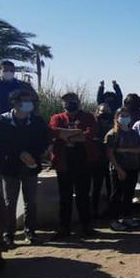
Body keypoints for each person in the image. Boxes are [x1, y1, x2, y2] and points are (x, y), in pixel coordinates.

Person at [0, 89, 49, 247]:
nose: (28, 103)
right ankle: (8, 234)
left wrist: (34, 154)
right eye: (24, 100)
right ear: (15, 103)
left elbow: (44, 140)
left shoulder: (37, 121)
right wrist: (19, 153)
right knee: (9, 202)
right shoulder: (1, 121)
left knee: (31, 202)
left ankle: (30, 233)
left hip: (30, 166)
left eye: (30, 100)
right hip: (8, 168)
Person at [49, 93, 99, 239]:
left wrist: (66, 135)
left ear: (79, 102)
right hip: (64, 162)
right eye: (67, 102)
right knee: (65, 196)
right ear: (62, 104)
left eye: (73, 101)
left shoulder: (88, 116)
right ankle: (64, 227)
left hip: (84, 160)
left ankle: (87, 226)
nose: (70, 103)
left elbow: (89, 134)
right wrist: (77, 133)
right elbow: (53, 132)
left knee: (83, 195)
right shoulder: (57, 117)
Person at [104, 108, 140, 232]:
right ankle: (113, 220)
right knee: (116, 195)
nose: (125, 118)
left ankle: (127, 217)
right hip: (119, 169)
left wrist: (125, 150)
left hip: (133, 167)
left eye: (127, 115)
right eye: (122, 116)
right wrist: (118, 169)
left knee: (129, 193)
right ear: (117, 118)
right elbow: (110, 154)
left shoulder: (133, 133)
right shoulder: (112, 134)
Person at [90, 103, 115, 217]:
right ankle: (94, 210)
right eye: (102, 111)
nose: (105, 113)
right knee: (97, 186)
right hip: (97, 160)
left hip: (111, 159)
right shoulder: (93, 123)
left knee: (112, 187)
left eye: (107, 110)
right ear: (97, 112)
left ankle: (111, 209)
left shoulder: (113, 123)